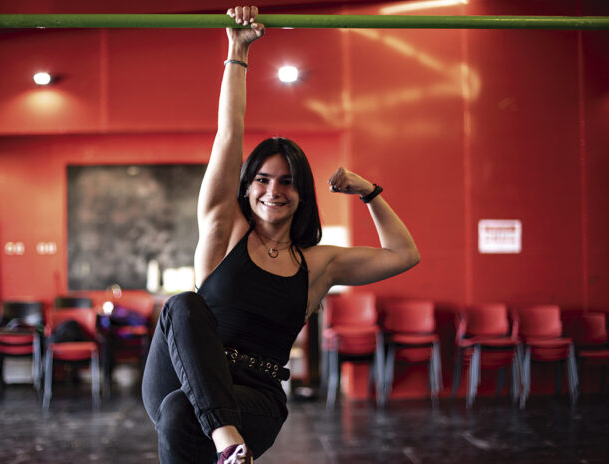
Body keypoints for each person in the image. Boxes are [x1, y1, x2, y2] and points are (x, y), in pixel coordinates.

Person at [141, 6, 420, 463]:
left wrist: (369, 192)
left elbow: (403, 254)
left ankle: (226, 437)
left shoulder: (318, 264)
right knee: (182, 305)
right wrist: (237, 51)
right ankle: (226, 441)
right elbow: (229, 132)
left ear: (302, 192)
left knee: (179, 412)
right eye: (264, 179)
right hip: (184, 376)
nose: (274, 190)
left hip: (258, 400)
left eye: (287, 181)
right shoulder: (223, 228)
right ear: (247, 186)